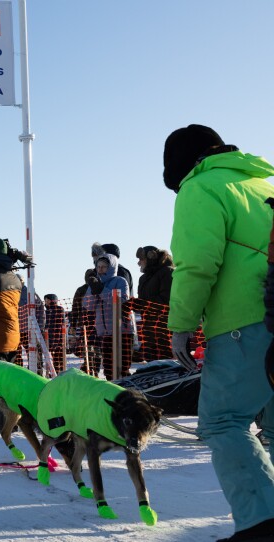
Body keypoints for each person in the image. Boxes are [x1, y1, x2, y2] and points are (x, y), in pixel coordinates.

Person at [164, 124, 274, 541]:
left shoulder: (202, 187)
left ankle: (261, 524)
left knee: (224, 421)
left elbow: (197, 263)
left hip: (242, 323)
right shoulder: (260, 181)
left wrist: (181, 325)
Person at [83, 253, 133, 381]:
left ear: (111, 267)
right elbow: (88, 306)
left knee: (122, 366)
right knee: (109, 367)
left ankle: (126, 391)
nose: (100, 270)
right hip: (104, 332)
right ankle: (112, 391)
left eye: (104, 267)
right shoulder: (95, 283)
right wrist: (94, 290)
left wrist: (101, 290)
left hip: (122, 331)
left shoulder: (120, 281)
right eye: (98, 267)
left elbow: (121, 301)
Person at [130, 246, 174, 362]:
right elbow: (144, 302)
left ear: (151, 257)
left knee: (167, 366)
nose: (139, 263)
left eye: (141, 259)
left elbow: (166, 301)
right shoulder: (143, 278)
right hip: (149, 330)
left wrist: (142, 304)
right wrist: (133, 304)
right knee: (152, 368)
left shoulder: (168, 272)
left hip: (165, 330)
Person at [71, 268, 103, 376]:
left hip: (86, 324)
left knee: (89, 348)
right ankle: (94, 371)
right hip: (96, 324)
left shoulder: (82, 290)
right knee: (96, 349)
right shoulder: (100, 287)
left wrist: (73, 324)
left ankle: (90, 371)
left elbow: (75, 308)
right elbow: (75, 307)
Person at [16, 277, 46, 371]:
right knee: (16, 353)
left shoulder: (30, 293)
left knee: (33, 352)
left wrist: (39, 327)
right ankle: (17, 371)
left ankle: (36, 371)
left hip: (29, 330)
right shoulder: (12, 293)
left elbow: (41, 310)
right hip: (16, 330)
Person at [43, 294, 66, 373]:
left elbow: (61, 324)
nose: (46, 302)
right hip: (49, 337)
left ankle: (62, 372)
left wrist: (58, 338)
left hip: (58, 336)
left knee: (59, 356)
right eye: (45, 300)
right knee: (52, 357)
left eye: (47, 300)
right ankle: (55, 373)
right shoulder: (46, 311)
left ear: (52, 300)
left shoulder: (59, 309)